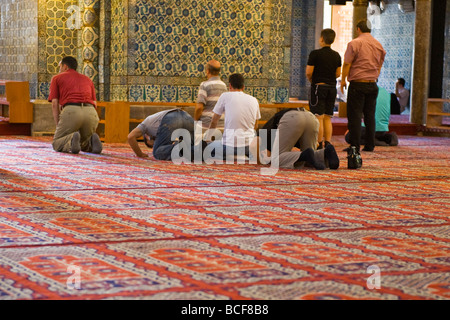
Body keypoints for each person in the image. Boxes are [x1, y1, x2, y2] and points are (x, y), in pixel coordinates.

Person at [341, 19, 386, 164]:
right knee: (369, 115)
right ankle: (370, 145)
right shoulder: (378, 45)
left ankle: (354, 146)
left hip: (358, 84)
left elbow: (347, 63)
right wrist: (373, 75)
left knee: (354, 116)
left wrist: (343, 80)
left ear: (358, 29)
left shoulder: (355, 43)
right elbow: (379, 65)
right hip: (372, 84)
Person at [48, 56, 102, 154]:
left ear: (65, 66)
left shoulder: (56, 78)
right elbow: (94, 103)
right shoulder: (87, 79)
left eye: (60, 67)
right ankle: (90, 142)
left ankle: (71, 139)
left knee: (57, 142)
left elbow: (54, 103)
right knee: (83, 142)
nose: (59, 69)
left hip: (71, 111)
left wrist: (58, 125)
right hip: (91, 112)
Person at [255, 107, 340, 170]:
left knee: (275, 159)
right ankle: (326, 152)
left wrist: (261, 159)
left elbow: (256, 142)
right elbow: (317, 144)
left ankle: (304, 154)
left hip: (292, 118)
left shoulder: (263, 136)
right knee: (309, 160)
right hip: (310, 117)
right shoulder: (274, 136)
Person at [205, 73, 261, 160]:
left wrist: (208, 139)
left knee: (204, 148)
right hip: (248, 148)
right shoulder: (254, 100)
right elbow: (255, 126)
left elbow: (214, 121)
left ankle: (178, 147)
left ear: (230, 85)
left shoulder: (225, 96)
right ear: (243, 87)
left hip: (228, 147)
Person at [306, 28, 342, 150]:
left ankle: (318, 143)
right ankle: (328, 143)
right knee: (327, 117)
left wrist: (313, 81)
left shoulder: (315, 54)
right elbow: (338, 73)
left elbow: (309, 72)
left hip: (318, 87)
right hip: (331, 88)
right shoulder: (336, 55)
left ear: (322, 39)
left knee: (318, 116)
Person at [127, 109, 194, 161]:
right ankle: (201, 148)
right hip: (187, 117)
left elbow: (130, 137)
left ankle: (181, 148)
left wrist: (140, 154)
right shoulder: (155, 124)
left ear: (147, 137)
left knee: (157, 152)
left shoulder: (144, 125)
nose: (155, 144)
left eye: (153, 145)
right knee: (193, 149)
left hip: (172, 119)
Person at [195, 60, 228, 130]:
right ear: (219, 72)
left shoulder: (204, 85)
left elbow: (199, 108)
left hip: (206, 125)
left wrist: (195, 121)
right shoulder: (224, 86)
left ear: (207, 71)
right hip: (222, 126)